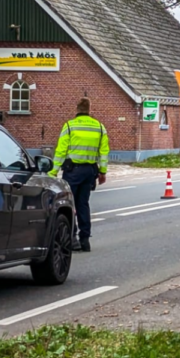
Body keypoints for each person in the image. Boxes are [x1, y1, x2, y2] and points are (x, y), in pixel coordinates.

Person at [50, 97, 109, 252]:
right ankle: (85, 239)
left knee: (70, 205)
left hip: (72, 172)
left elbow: (61, 151)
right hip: (90, 171)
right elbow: (103, 153)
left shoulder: (69, 126)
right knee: (83, 204)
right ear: (90, 109)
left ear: (76, 109)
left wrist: (53, 171)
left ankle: (72, 238)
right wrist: (102, 172)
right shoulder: (99, 127)